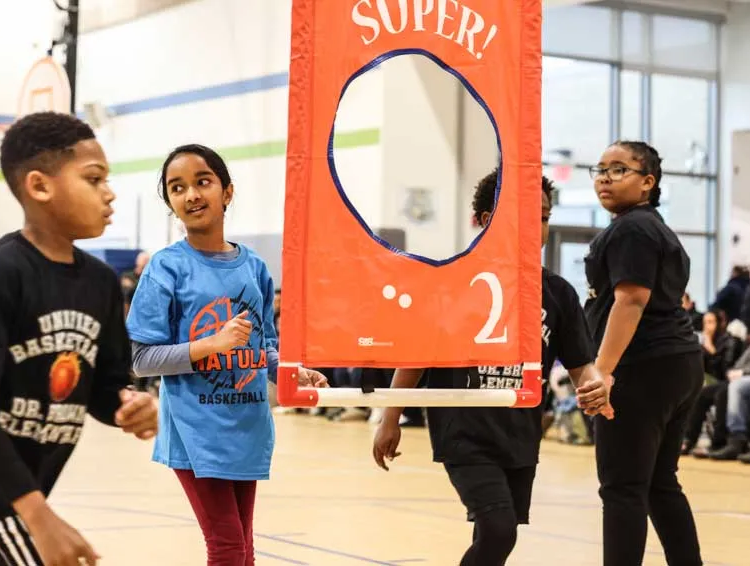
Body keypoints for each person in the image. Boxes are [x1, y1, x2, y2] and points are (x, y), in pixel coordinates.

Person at [0, 111, 158, 566]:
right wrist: (38, 516)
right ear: (40, 187)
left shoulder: (100, 284)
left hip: (22, 475)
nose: (109, 192)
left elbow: (102, 389)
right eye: (94, 178)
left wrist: (127, 406)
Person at [371, 169, 611, 566]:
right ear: (485, 220)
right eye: (523, 212)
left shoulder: (559, 294)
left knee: (494, 534)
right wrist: (390, 417)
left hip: (519, 433)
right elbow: (417, 355)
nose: (536, 225)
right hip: (464, 431)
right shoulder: (450, 281)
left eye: (544, 216)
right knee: (499, 529)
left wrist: (594, 387)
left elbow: (581, 365)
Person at [125, 144, 328, 566]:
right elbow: (142, 359)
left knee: (244, 548)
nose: (192, 195)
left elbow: (264, 346)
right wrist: (209, 345)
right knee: (228, 548)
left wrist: (294, 372)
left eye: (203, 182)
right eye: (177, 188)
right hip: (196, 429)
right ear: (171, 204)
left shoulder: (254, 267)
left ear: (227, 192)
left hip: (247, 424)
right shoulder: (165, 268)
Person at [584, 140, 704, 566]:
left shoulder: (632, 228)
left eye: (619, 169)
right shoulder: (652, 227)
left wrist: (603, 371)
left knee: (622, 487)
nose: (604, 177)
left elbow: (631, 300)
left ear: (647, 182)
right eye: (600, 169)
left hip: (644, 367)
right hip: (678, 363)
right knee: (658, 483)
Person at [682, 309, 735, 456]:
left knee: (713, 393)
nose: (707, 326)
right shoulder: (702, 343)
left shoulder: (729, 341)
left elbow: (725, 369)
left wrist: (710, 348)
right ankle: (688, 439)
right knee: (695, 390)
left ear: (719, 323)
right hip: (710, 382)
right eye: (705, 323)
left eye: (711, 322)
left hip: (726, 381)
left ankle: (718, 442)